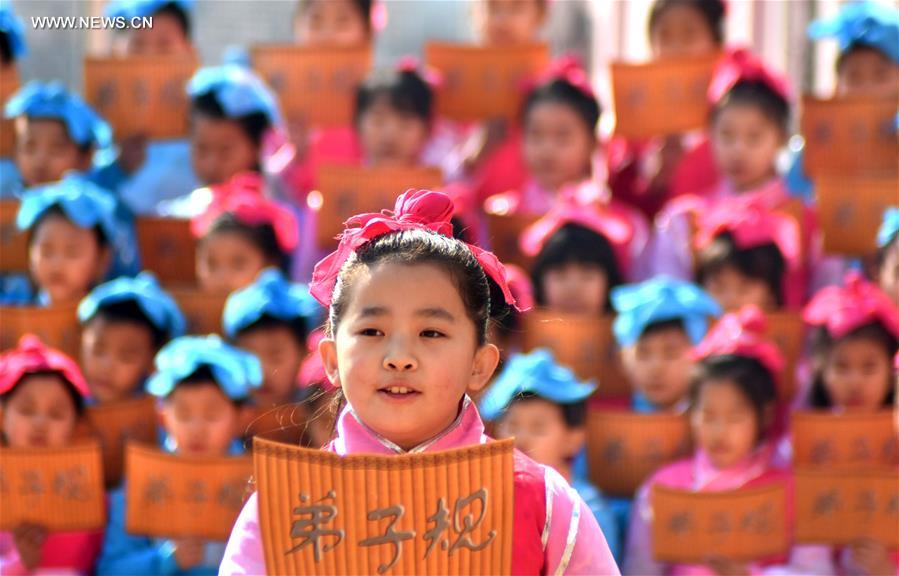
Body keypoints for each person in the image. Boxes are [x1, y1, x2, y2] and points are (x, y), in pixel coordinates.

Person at [220, 189, 620, 574]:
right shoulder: (282, 507)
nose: (399, 357)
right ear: (331, 360)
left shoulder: (541, 501)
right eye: (372, 331)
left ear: (480, 364)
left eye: (431, 333)